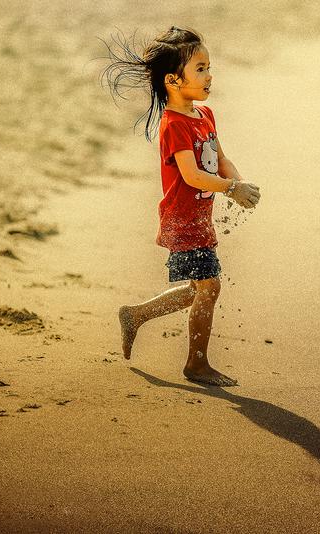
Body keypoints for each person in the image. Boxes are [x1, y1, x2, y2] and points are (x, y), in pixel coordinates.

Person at [100, 26, 260, 386]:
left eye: (208, 67)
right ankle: (196, 364)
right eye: (200, 69)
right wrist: (232, 188)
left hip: (199, 218)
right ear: (173, 80)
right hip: (182, 219)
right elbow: (191, 176)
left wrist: (239, 182)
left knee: (197, 289)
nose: (209, 75)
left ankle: (136, 315)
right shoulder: (173, 125)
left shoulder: (205, 116)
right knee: (209, 286)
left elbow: (220, 159)